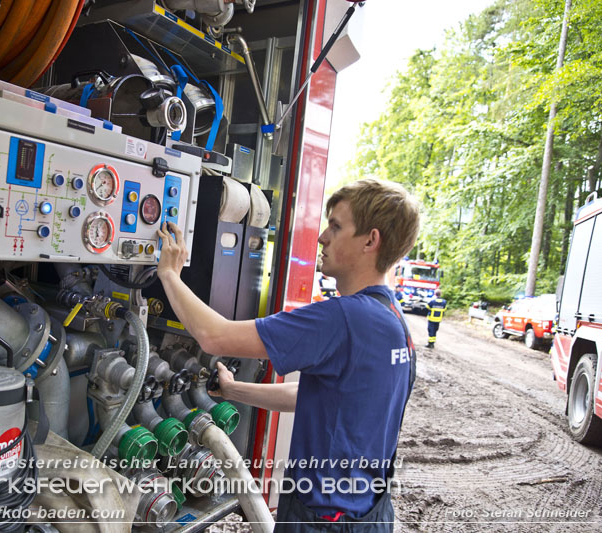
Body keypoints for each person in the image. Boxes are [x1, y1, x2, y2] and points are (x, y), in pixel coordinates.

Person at [156, 178, 420, 532]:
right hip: (369, 515)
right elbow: (316, 396)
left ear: (371, 241)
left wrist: (169, 274)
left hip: (324, 521)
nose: (322, 237)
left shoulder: (344, 318)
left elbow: (213, 336)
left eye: (337, 227)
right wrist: (235, 391)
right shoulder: (395, 321)